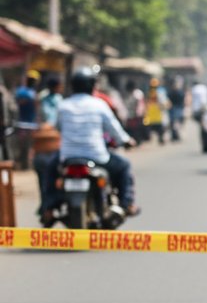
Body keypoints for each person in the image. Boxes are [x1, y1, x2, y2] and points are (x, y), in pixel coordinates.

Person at [55, 66, 138, 216]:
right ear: (92, 85)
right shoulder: (99, 104)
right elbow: (114, 128)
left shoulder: (63, 106)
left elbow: (59, 127)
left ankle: (48, 208)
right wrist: (126, 140)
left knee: (48, 169)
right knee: (124, 166)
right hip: (96, 156)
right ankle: (126, 205)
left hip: (67, 157)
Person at [12, 72, 39, 170]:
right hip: (23, 124)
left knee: (26, 147)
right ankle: (22, 165)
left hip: (28, 124)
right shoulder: (27, 93)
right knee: (24, 147)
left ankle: (25, 165)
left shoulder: (22, 91)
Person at [144, 76, 170, 144]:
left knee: (158, 126)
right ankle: (160, 137)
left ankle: (160, 137)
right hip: (155, 111)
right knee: (158, 126)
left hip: (156, 111)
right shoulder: (155, 92)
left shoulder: (157, 91)